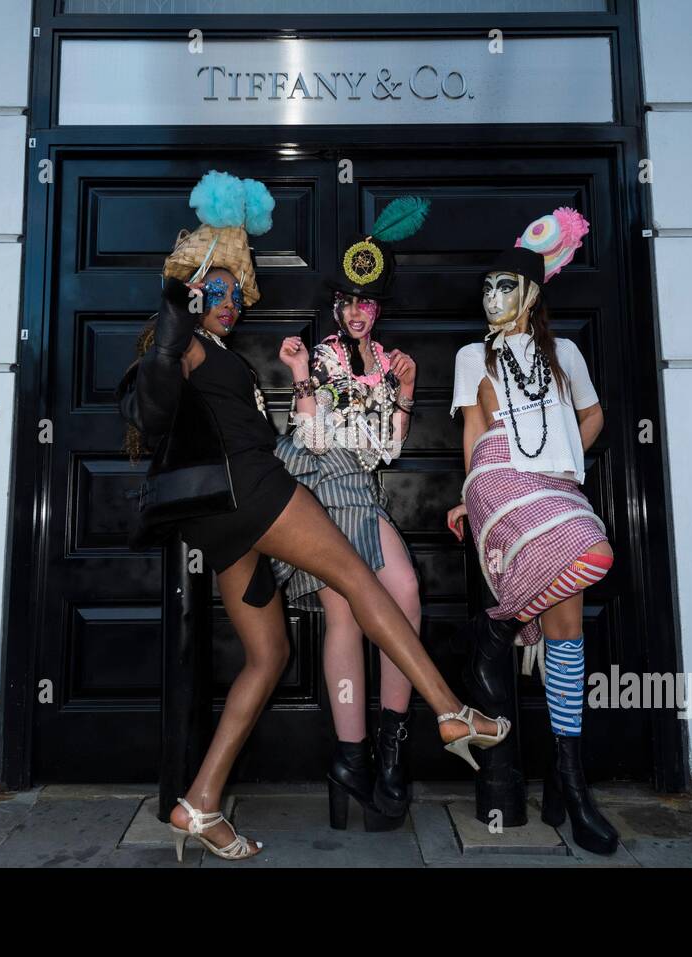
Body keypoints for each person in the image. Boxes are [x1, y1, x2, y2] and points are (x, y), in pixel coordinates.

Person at [119, 171, 509, 862]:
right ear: (190, 284)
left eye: (238, 290)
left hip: (227, 517)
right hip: (252, 488)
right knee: (361, 578)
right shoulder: (180, 346)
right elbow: (149, 413)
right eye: (219, 287)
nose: (231, 300)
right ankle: (449, 710)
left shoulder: (219, 352)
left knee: (269, 654)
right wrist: (172, 326)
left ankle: (199, 801)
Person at [445, 206, 620, 855]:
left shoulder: (565, 350)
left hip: (552, 485)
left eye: (505, 286)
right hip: (497, 478)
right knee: (588, 546)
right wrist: (469, 496)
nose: (494, 297)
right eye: (488, 287)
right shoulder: (473, 354)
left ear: (532, 293)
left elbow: (593, 414)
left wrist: (566, 461)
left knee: (565, 623)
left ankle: (566, 783)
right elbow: (471, 430)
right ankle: (570, 789)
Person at [272, 197, 429, 830]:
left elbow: (385, 450)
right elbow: (312, 443)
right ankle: (352, 756)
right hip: (322, 491)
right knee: (341, 611)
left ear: (377, 307)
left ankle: (389, 752)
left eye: (368, 302)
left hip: (361, 493)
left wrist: (409, 394)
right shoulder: (321, 357)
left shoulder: (389, 365)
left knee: (406, 594)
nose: (359, 312)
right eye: (349, 301)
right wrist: (301, 378)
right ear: (335, 304)